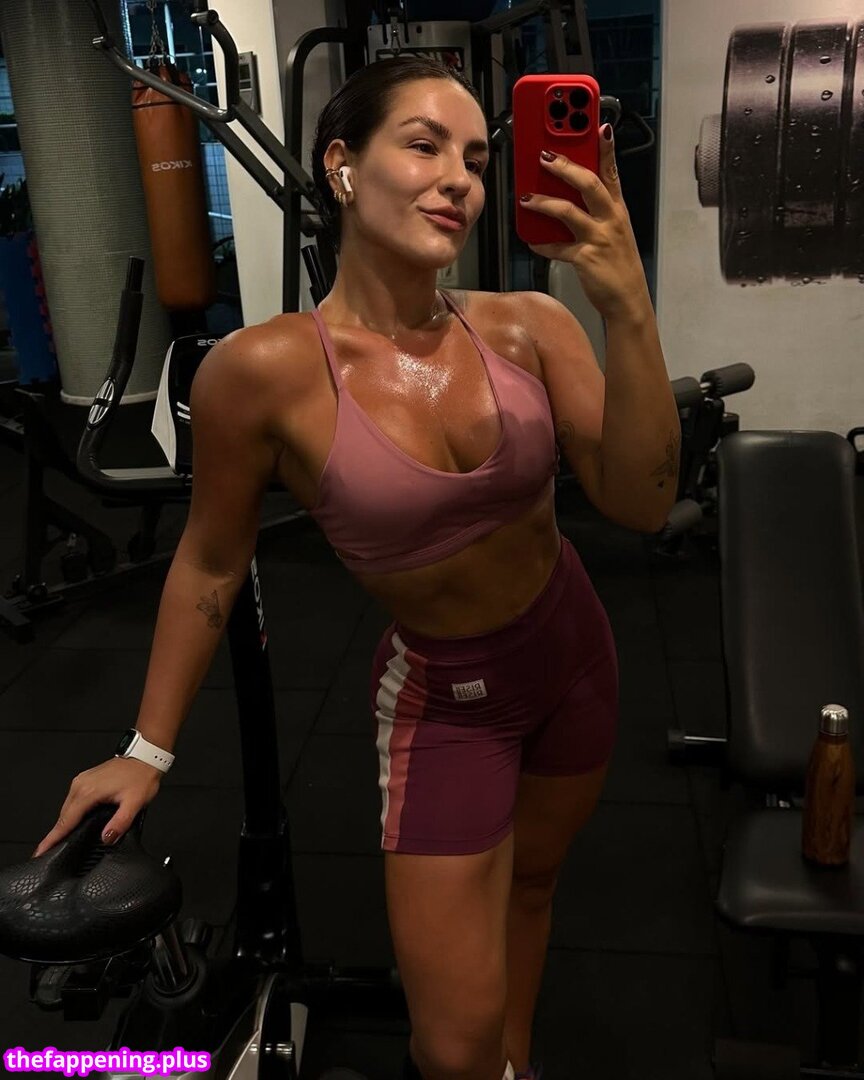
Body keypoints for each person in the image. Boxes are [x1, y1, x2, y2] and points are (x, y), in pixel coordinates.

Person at [33, 56, 680, 1080]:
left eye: (476, 159)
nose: (459, 178)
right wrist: (146, 751)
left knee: (534, 889)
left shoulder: (533, 327)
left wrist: (629, 307)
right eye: (424, 145)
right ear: (341, 165)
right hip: (448, 704)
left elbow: (642, 503)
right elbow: (211, 560)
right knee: (451, 1048)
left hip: (575, 656)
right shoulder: (261, 372)